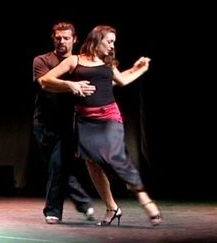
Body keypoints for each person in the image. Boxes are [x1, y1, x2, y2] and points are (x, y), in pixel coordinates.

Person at [39, 25, 162, 226]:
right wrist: (71, 85)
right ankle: (112, 207)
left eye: (114, 42)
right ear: (97, 40)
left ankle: (145, 200)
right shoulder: (74, 60)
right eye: (109, 41)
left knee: (115, 157)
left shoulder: (107, 63)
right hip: (85, 121)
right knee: (92, 161)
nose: (112, 45)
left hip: (109, 117)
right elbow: (46, 80)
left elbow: (121, 80)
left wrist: (139, 69)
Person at [32, 22, 97, 224]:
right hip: (43, 123)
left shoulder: (79, 63)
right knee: (57, 167)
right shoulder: (42, 60)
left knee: (58, 165)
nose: (62, 41)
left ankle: (53, 210)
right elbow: (45, 83)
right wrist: (70, 85)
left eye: (66, 38)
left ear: (74, 39)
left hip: (68, 125)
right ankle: (83, 202)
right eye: (58, 38)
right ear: (53, 39)